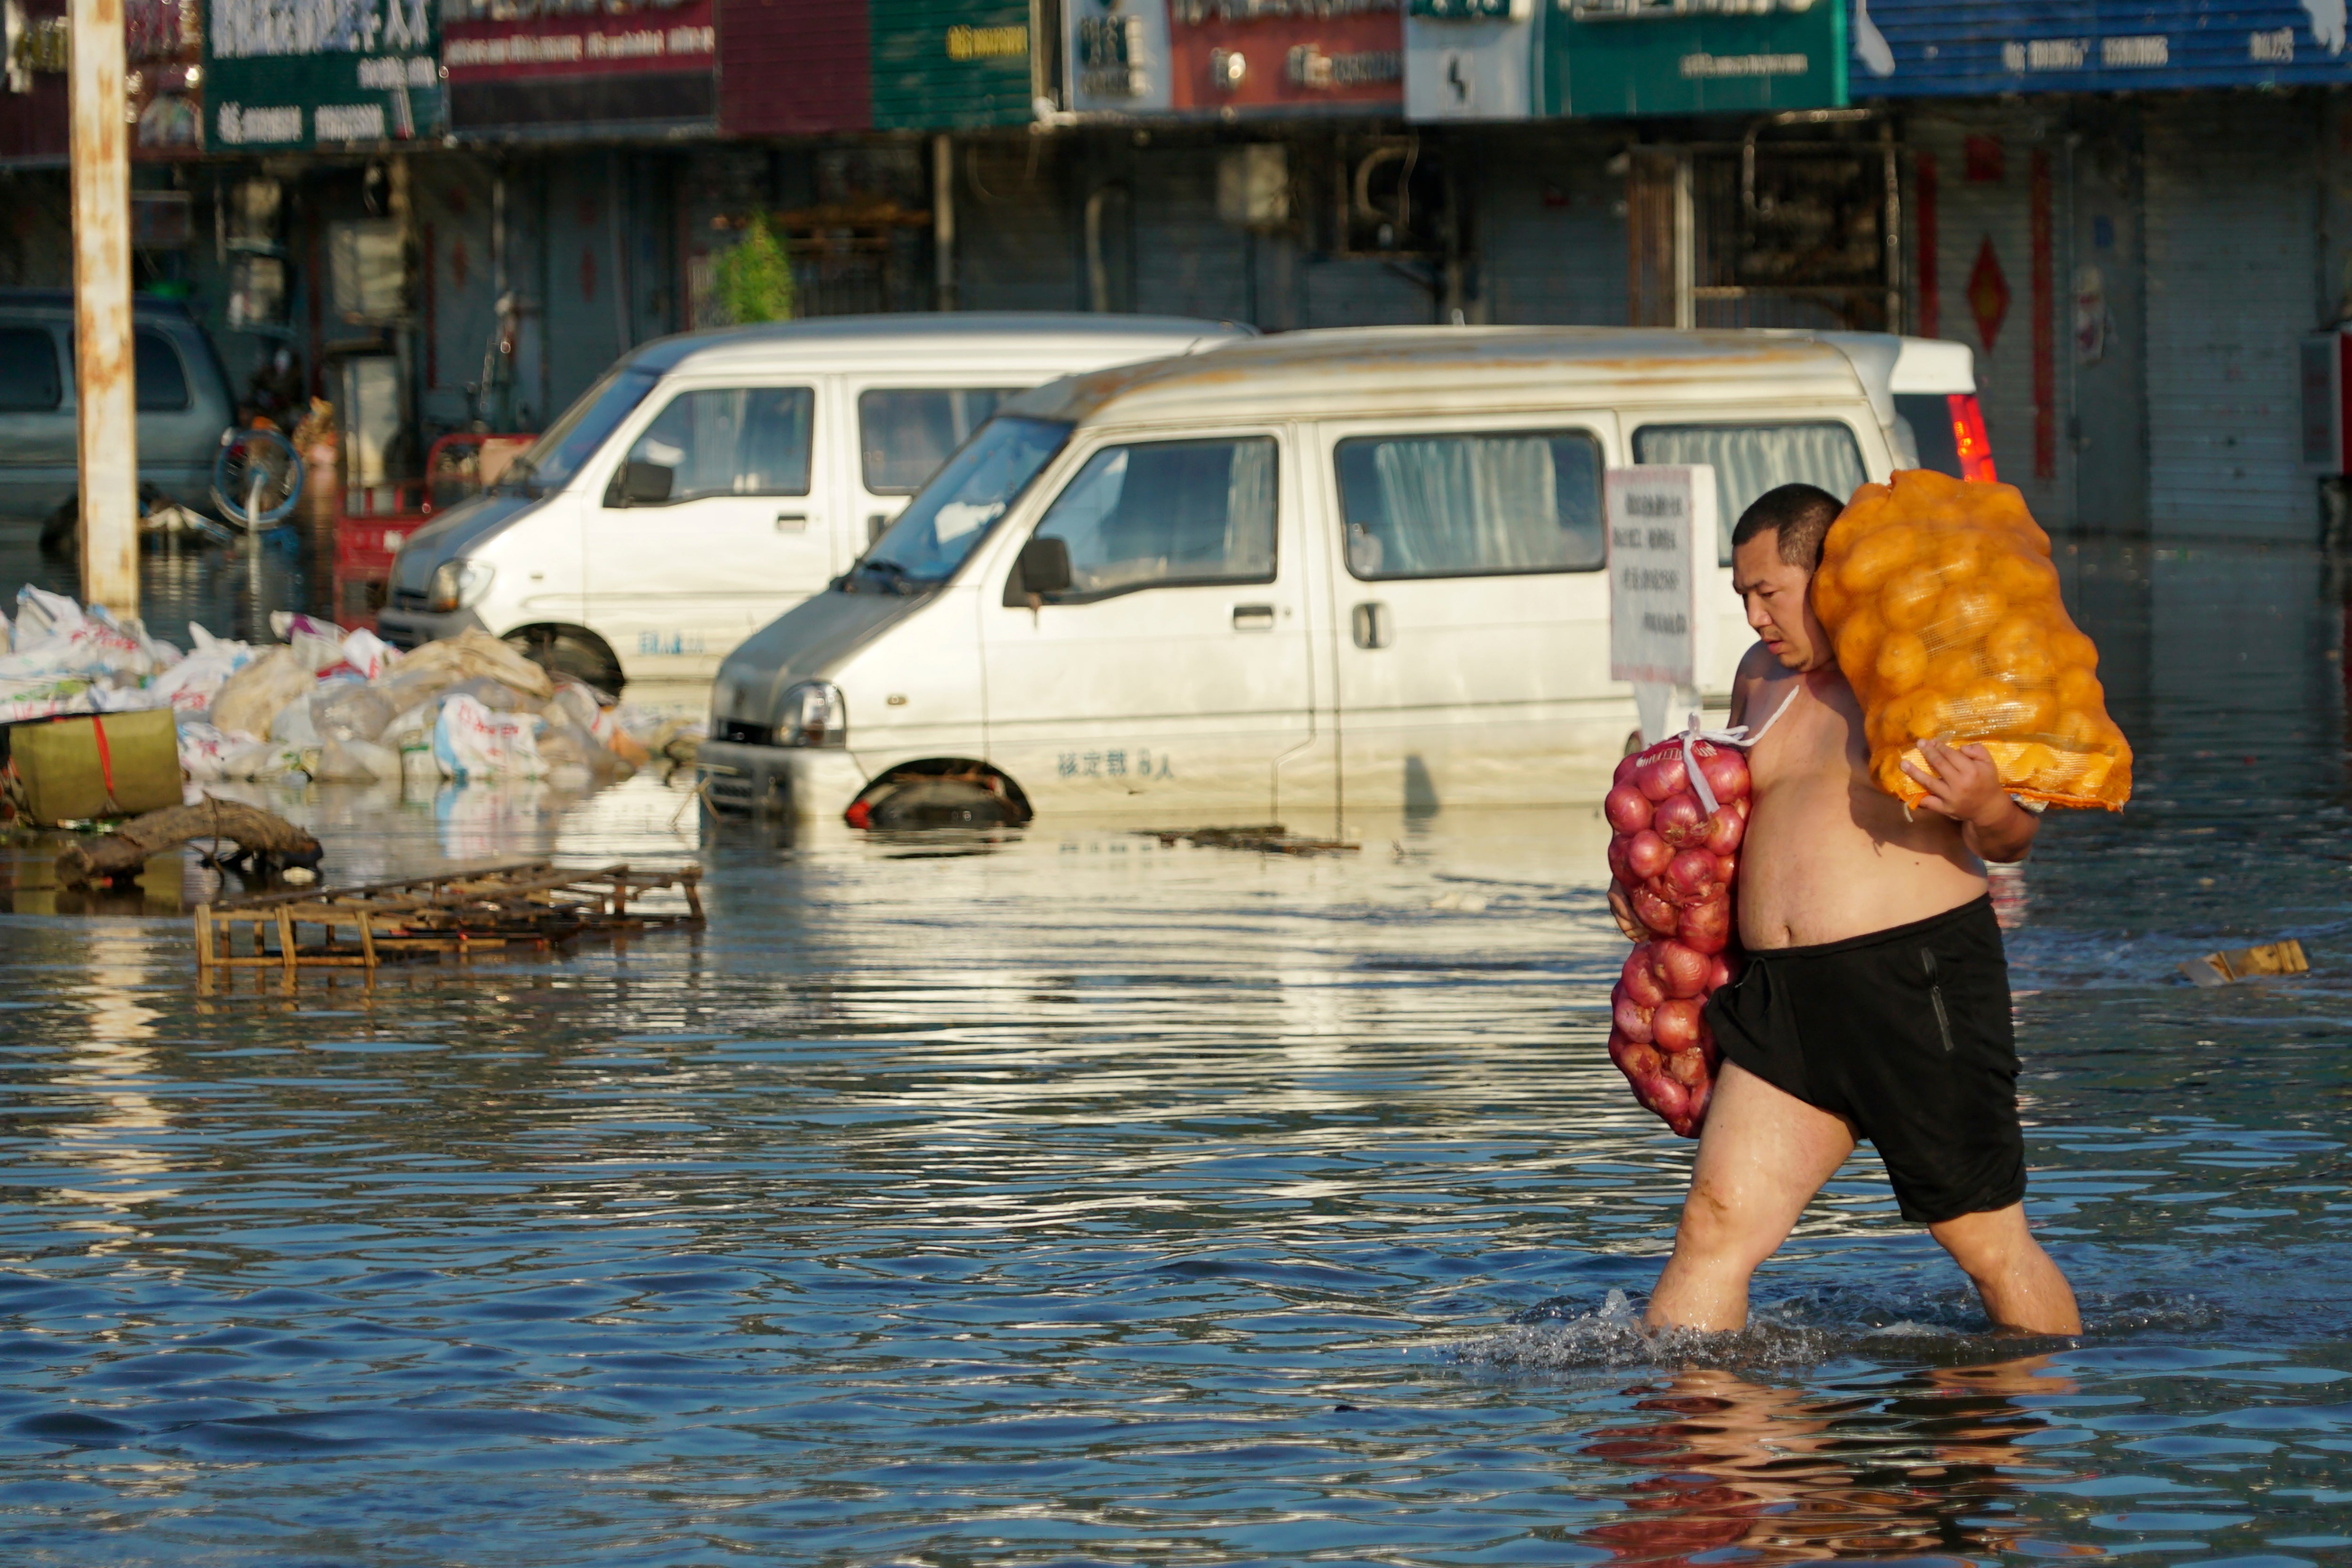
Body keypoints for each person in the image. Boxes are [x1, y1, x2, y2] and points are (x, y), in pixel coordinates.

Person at [1621, 482, 2081, 1336]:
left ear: (1828, 575)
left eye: (1770, 592)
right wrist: (1655, 884)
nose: (1756, 616)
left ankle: (2040, 1430)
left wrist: (1983, 800)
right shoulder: (1760, 677)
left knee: (1986, 1243)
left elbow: (2013, 837)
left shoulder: (1916, 670)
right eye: (1743, 596)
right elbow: (1730, 819)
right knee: (1714, 1225)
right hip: (1786, 999)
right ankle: (1702, 1455)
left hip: (1916, 985)